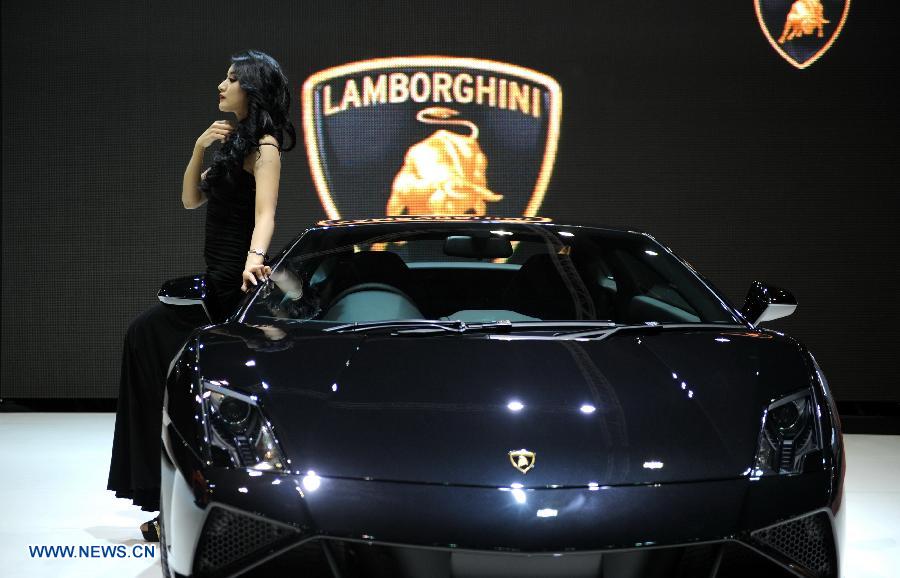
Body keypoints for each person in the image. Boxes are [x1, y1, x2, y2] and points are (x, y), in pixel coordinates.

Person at [106, 49, 296, 542]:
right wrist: (197, 149)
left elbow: (267, 214)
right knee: (144, 339)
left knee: (203, 387)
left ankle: (214, 506)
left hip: (235, 286)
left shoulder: (266, 148)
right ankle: (158, 497)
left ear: (252, 90)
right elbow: (191, 199)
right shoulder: (231, 144)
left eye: (232, 79)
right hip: (212, 283)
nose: (221, 85)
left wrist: (257, 257)